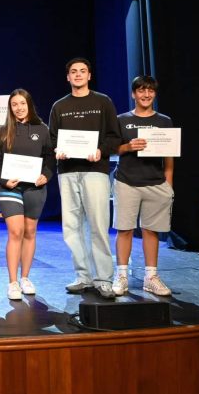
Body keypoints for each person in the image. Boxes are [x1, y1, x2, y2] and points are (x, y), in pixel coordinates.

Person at [49, 58, 122, 299]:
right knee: (71, 227)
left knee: (99, 225)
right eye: (73, 72)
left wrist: (101, 150)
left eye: (82, 71)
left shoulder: (103, 102)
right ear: (67, 77)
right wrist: (57, 150)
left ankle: (103, 279)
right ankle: (83, 276)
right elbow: (52, 139)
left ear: (89, 75)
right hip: (67, 172)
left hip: (95, 171)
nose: (78, 75)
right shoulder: (59, 106)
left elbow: (114, 136)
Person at [111, 75, 174, 296]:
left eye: (150, 91)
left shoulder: (164, 121)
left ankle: (151, 277)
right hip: (126, 181)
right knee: (125, 229)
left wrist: (169, 185)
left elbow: (169, 157)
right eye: (141, 90)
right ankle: (121, 275)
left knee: (151, 230)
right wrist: (128, 147)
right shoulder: (121, 120)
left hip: (156, 183)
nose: (146, 95)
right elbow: (111, 149)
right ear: (133, 94)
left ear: (154, 94)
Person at [0, 89, 55, 300]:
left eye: (22, 103)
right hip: (10, 188)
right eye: (14, 104)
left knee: (29, 231)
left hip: (34, 188)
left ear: (29, 105)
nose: (19, 107)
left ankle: (25, 278)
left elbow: (49, 159)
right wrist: (3, 180)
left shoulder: (42, 129)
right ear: (10, 107)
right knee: (16, 231)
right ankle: (13, 282)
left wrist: (45, 175)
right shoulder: (2, 131)